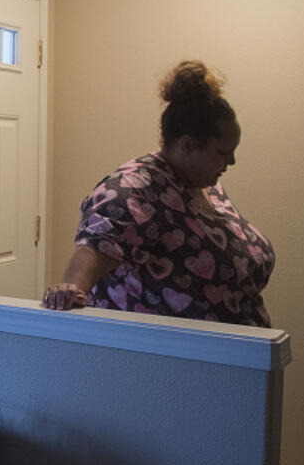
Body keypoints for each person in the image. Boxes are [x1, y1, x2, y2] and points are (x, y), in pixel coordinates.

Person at [42, 60, 275, 327]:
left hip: (235, 358)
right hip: (173, 360)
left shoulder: (204, 185)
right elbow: (93, 250)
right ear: (188, 145)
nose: (232, 162)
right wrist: (68, 291)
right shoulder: (134, 191)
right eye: (223, 152)